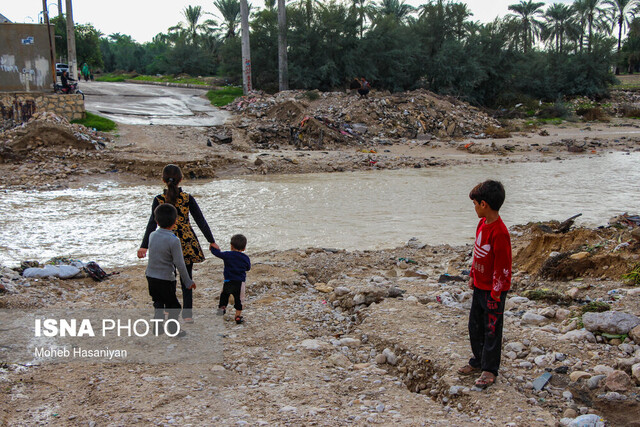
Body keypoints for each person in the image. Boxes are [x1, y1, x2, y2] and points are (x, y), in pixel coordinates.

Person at [138, 164, 216, 324]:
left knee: (168, 277)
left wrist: (144, 245)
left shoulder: (159, 199)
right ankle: (187, 314)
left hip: (163, 242)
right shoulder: (187, 198)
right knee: (186, 276)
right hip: (186, 242)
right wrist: (211, 241)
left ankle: (167, 309)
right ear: (181, 179)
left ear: (163, 180)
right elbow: (200, 220)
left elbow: (151, 224)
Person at [458, 180, 512, 389]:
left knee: (492, 329)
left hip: (493, 291)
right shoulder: (482, 224)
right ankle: (478, 360)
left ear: (484, 205)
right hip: (480, 285)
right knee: (475, 325)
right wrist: (473, 274)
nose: (474, 208)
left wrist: (496, 293)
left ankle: (490, 369)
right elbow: (477, 252)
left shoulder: (500, 233)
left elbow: (503, 266)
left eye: (474, 204)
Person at [145, 203, 196, 338]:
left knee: (158, 302)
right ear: (175, 221)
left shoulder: (151, 235)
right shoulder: (174, 240)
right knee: (173, 306)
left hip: (150, 276)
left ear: (156, 221)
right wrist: (187, 281)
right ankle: (173, 330)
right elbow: (179, 263)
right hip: (166, 279)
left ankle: (157, 327)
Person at [211, 234, 251, 325]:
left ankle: (222, 308)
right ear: (244, 248)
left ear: (231, 246)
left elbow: (217, 253)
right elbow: (248, 268)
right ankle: (237, 316)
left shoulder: (227, 255)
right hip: (240, 283)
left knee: (224, 295)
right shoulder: (245, 258)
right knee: (239, 300)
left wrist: (212, 246)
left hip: (228, 281)